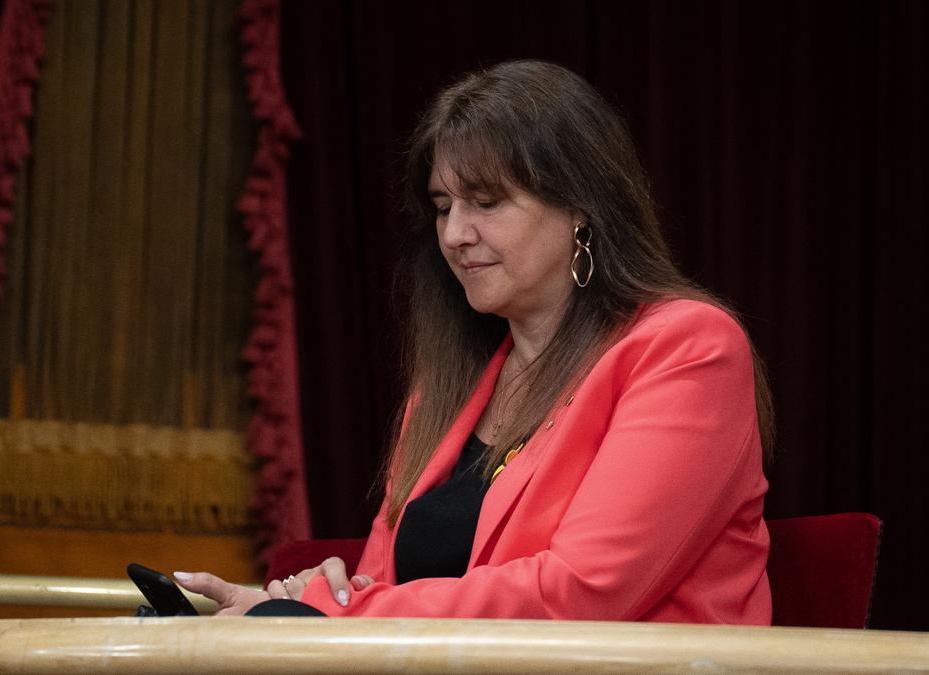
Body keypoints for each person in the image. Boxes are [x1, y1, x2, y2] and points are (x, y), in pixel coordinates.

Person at [175, 59, 774, 624]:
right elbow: (382, 585)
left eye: (486, 202)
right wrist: (318, 594)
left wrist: (329, 613)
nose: (456, 234)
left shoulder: (689, 347)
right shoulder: (449, 388)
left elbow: (584, 591)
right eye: (442, 207)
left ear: (581, 209)